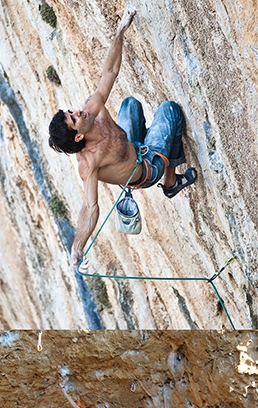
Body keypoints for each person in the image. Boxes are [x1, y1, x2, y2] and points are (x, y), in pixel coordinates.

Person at [48, 6, 197, 267]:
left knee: (129, 103)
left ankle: (154, 153)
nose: (78, 111)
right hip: (146, 170)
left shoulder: (92, 110)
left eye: (71, 111)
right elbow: (90, 208)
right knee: (169, 111)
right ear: (79, 138)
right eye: (74, 118)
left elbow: (110, 73)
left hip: (133, 146)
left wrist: (121, 30)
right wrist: (77, 246)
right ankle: (171, 182)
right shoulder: (89, 163)